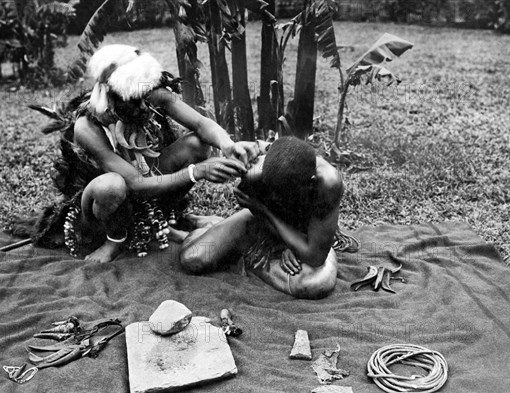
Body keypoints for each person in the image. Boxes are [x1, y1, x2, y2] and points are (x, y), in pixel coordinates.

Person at [32, 44, 259, 262]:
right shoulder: (87, 127)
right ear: (111, 96)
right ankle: (115, 240)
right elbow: (135, 183)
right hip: (106, 203)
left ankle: (165, 221)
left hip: (148, 181)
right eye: (134, 102)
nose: (144, 107)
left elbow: (200, 124)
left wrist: (228, 144)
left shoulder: (144, 92)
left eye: (144, 98)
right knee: (111, 186)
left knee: (197, 144)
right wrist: (196, 172)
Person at [178, 136, 345, 299]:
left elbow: (315, 257)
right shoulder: (256, 169)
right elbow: (256, 212)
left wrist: (295, 244)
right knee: (192, 258)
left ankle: (240, 252)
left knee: (315, 284)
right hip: (261, 224)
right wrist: (265, 215)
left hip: (305, 233)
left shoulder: (328, 182)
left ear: (310, 182)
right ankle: (225, 236)